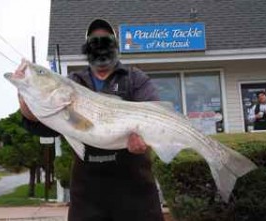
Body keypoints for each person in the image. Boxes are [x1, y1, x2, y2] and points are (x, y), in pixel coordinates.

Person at [16, 19, 164, 221]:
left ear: (115, 46)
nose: (100, 46)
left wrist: (145, 140)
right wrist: (25, 100)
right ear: (87, 48)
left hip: (135, 192)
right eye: (95, 42)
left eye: (106, 41)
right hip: (88, 196)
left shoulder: (135, 79)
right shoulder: (74, 83)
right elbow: (47, 128)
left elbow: (156, 115)